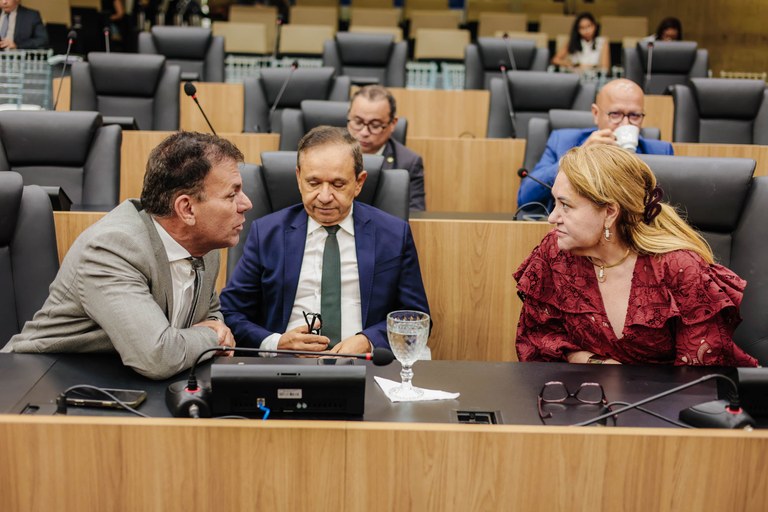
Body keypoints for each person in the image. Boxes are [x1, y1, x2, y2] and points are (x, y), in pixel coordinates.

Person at [5, 132, 253, 380]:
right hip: (38, 378)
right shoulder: (112, 248)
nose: (247, 204)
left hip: (120, 380)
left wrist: (212, 328)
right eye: (232, 195)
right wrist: (212, 337)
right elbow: (157, 357)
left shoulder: (205, 246)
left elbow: (210, 315)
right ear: (187, 209)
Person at [514, 144, 758, 367]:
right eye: (554, 203)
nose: (552, 217)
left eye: (566, 205)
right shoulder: (554, 253)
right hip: (588, 395)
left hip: (670, 399)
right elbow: (538, 338)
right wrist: (590, 361)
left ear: (610, 212)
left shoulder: (679, 268)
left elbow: (700, 376)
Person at [220, 126, 430, 355]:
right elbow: (231, 313)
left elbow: (416, 318)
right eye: (313, 183)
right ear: (299, 178)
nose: (325, 197)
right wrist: (277, 343)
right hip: (286, 363)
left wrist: (369, 340)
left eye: (338, 184)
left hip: (366, 363)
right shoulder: (267, 233)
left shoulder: (393, 234)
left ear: (359, 182)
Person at [518, 78, 673, 212]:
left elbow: (669, 213)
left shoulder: (660, 152)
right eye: (615, 114)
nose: (625, 123)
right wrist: (577, 158)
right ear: (596, 114)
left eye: (635, 115)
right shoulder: (562, 141)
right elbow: (525, 198)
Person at [346, 85, 426, 211]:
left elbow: (414, 213)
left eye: (375, 125)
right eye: (358, 122)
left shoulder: (408, 163)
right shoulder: (328, 153)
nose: (364, 132)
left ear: (393, 124)